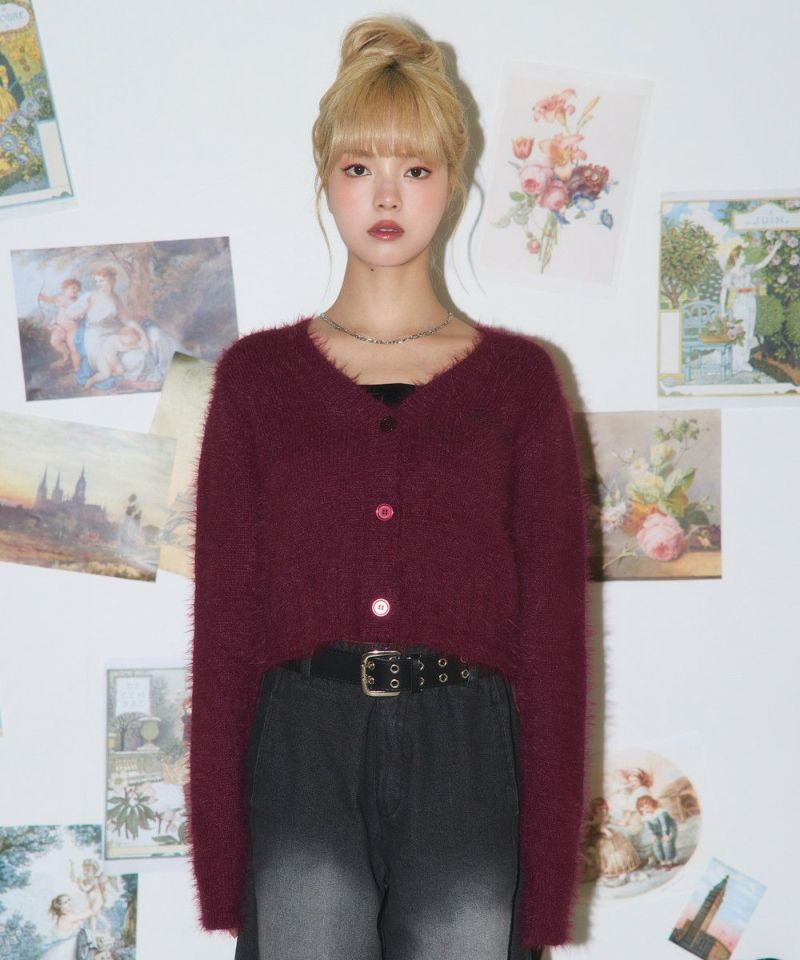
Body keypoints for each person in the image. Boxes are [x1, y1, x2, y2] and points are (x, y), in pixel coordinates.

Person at [187, 15, 590, 960]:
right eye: (360, 165)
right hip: (303, 746)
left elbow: (555, 643)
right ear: (325, 177)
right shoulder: (257, 381)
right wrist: (220, 858)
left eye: (415, 168)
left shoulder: (520, 384)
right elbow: (225, 628)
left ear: (453, 180)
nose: (386, 195)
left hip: (468, 754)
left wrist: (545, 890)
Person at [719, 238, 782, 374]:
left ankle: (744, 361)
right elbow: (723, 293)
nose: (745, 257)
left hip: (751, 302)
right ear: (736, 257)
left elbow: (762, 264)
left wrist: (774, 250)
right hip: (740, 304)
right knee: (741, 332)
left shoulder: (747, 269)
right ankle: (735, 363)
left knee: (750, 332)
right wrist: (722, 311)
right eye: (742, 255)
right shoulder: (730, 274)